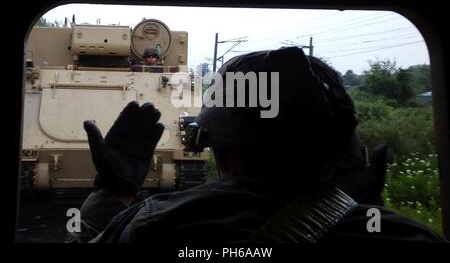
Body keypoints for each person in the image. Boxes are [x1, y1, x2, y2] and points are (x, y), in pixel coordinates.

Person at [70, 47, 446, 243]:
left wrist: (113, 195)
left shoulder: (153, 226)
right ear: (347, 146)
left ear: (219, 147)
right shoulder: (410, 236)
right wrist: (364, 213)